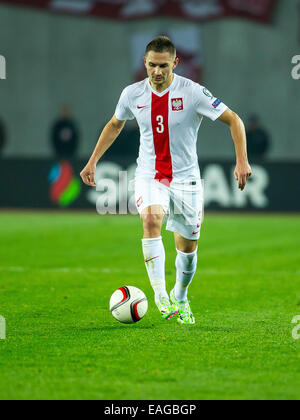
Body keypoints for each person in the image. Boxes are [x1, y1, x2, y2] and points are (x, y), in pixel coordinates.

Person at [80, 36, 252, 325]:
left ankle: (180, 296)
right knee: (150, 220)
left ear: (175, 63)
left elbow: (234, 119)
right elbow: (115, 124)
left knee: (187, 249)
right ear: (144, 63)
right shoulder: (132, 94)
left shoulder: (193, 92)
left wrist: (242, 160)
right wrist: (93, 160)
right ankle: (160, 295)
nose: (157, 72)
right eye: (151, 65)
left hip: (186, 180)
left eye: (163, 66)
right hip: (149, 175)